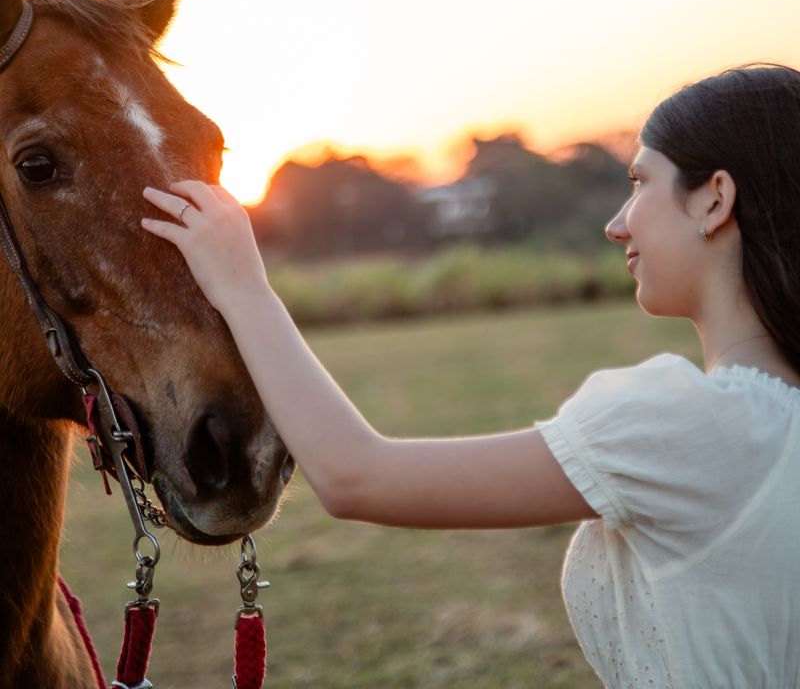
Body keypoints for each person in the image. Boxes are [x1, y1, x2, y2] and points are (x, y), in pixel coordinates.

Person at [141, 63, 800, 688]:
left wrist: (243, 285)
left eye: (639, 183)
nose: (616, 224)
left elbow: (355, 476)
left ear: (715, 200)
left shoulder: (682, 423)